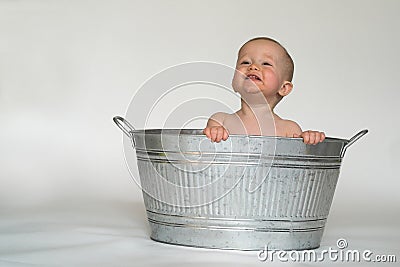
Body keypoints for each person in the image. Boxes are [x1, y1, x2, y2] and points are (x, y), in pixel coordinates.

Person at [203, 37, 325, 145]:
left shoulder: (289, 128)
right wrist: (214, 134)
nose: (253, 66)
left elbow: (299, 164)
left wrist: (310, 140)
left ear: (283, 88)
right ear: (234, 83)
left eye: (266, 63)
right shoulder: (220, 121)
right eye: (245, 62)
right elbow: (207, 154)